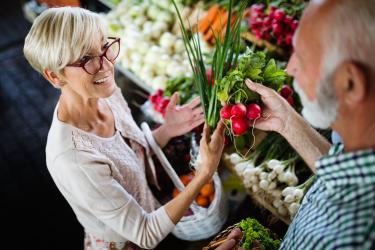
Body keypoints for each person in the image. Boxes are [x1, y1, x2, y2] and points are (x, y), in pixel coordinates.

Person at [23, 7, 225, 250]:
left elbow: (130, 155)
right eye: (86, 59)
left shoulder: (106, 96)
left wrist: (168, 130)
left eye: (104, 47)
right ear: (54, 77)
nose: (106, 66)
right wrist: (205, 172)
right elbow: (145, 234)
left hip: (154, 211)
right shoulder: (73, 158)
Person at [216, 0, 375, 249]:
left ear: (350, 83)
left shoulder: (345, 239)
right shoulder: (360, 144)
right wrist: (287, 122)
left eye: (301, 55)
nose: (290, 67)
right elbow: (342, 176)